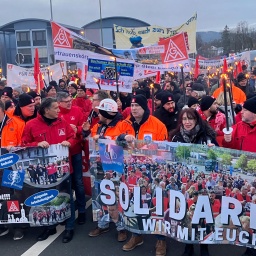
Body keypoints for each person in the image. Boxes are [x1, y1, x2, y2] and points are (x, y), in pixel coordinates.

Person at [117, 94, 168, 256]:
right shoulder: (124, 124)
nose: (133, 109)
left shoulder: (158, 125)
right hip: (131, 174)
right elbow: (112, 141)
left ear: (145, 107)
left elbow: (164, 149)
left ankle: (161, 239)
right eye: (132, 106)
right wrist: (122, 137)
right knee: (135, 206)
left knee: (157, 207)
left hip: (153, 174)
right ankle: (136, 235)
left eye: (137, 106)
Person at [21, 97, 77, 243]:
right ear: (46, 110)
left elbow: (73, 137)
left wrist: (69, 142)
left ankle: (69, 228)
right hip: (43, 173)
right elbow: (24, 144)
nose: (59, 110)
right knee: (46, 198)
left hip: (63, 170)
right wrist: (37, 143)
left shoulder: (62, 122)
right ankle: (49, 227)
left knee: (66, 197)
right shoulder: (31, 125)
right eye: (56, 108)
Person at [170, 108, 218, 256]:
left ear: (196, 120)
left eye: (190, 119)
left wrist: (214, 150)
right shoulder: (176, 138)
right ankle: (188, 245)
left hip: (202, 183)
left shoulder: (207, 136)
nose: (187, 122)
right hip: (186, 185)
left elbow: (218, 158)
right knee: (187, 215)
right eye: (184, 119)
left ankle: (204, 246)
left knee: (203, 214)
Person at [56, 92, 86, 225]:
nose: (69, 103)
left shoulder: (77, 111)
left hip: (75, 152)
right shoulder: (55, 113)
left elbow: (85, 128)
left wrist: (77, 129)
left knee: (78, 182)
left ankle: (82, 211)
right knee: (63, 184)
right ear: (58, 103)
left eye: (70, 100)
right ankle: (64, 212)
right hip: (59, 156)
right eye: (66, 101)